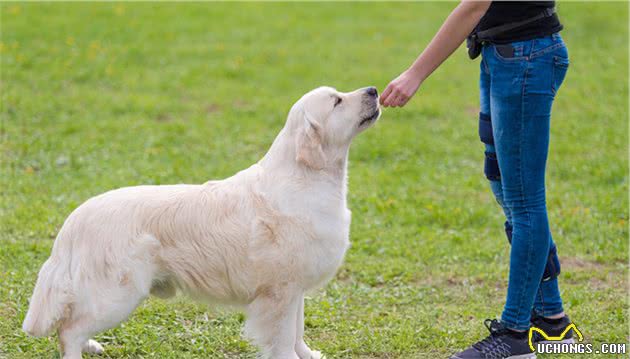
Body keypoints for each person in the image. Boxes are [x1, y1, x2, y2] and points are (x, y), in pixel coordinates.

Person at [380, 1, 573, 358]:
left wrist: (414, 74)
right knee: (503, 183)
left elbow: (473, 7)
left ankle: (516, 335)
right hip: (502, 56)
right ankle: (551, 320)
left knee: (525, 202)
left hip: (526, 60)